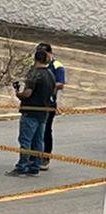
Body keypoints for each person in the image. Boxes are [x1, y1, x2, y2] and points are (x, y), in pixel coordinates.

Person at [12, 45, 56, 177]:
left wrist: (18, 93)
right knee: (38, 141)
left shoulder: (34, 73)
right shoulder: (50, 74)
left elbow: (28, 93)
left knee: (25, 141)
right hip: (44, 112)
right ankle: (35, 166)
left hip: (30, 111)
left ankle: (22, 166)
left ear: (35, 59)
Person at [39, 42, 64, 171]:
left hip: (49, 103)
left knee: (46, 130)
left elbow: (60, 83)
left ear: (50, 53)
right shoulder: (38, 64)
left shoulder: (56, 66)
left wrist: (48, 85)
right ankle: (34, 156)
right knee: (35, 131)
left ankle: (46, 157)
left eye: (45, 54)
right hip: (37, 103)